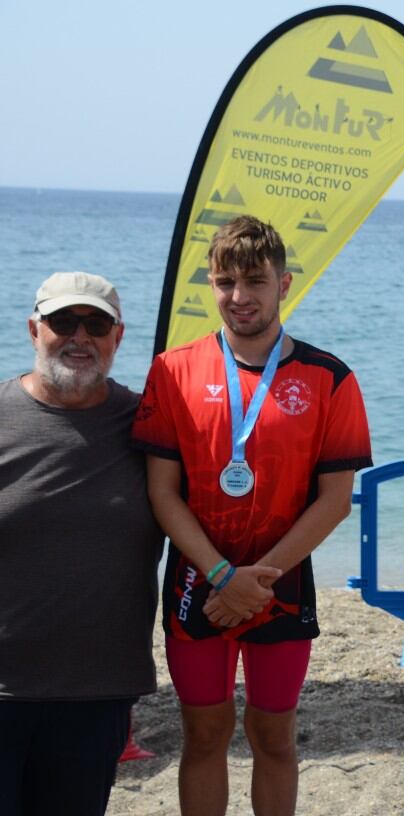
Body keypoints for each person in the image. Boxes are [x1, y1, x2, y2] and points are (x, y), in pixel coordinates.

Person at [132, 215, 372, 816]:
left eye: (255, 281)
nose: (239, 297)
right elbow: (163, 494)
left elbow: (335, 501)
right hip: (196, 584)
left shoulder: (330, 377)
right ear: (209, 285)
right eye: (224, 282)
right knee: (204, 736)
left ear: (284, 283)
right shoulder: (172, 370)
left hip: (281, 586)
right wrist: (222, 577)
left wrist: (255, 579)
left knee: (274, 739)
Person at [0, 272, 162, 816]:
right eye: (63, 321)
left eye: (96, 324)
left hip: (98, 689)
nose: (79, 336)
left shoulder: (150, 424)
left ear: (119, 336)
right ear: (33, 329)